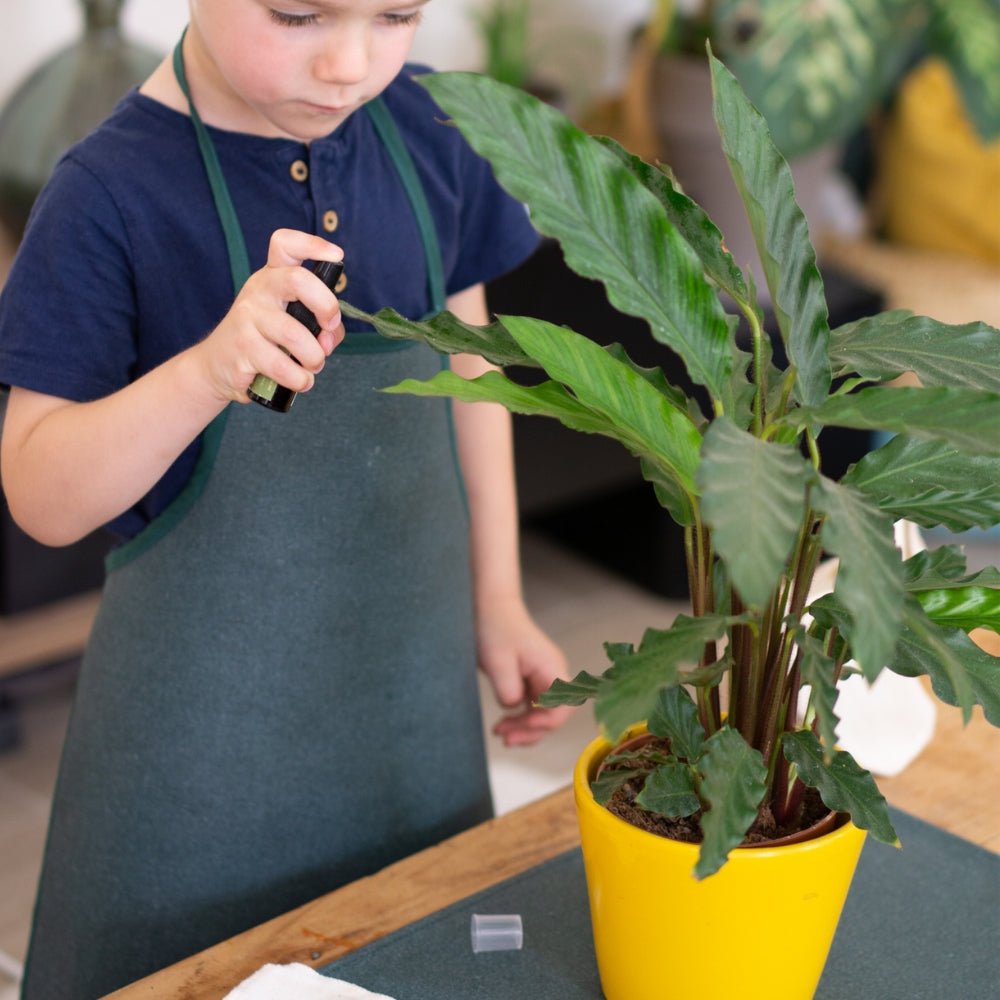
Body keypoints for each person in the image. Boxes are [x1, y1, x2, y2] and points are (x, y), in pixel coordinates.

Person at [0, 2, 573, 996]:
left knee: (405, 948)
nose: (351, 62)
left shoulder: (438, 129)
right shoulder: (106, 192)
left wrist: (497, 595)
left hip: (407, 701)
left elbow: (476, 379)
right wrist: (205, 370)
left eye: (396, 14)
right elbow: (41, 495)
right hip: (195, 752)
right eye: (298, 12)